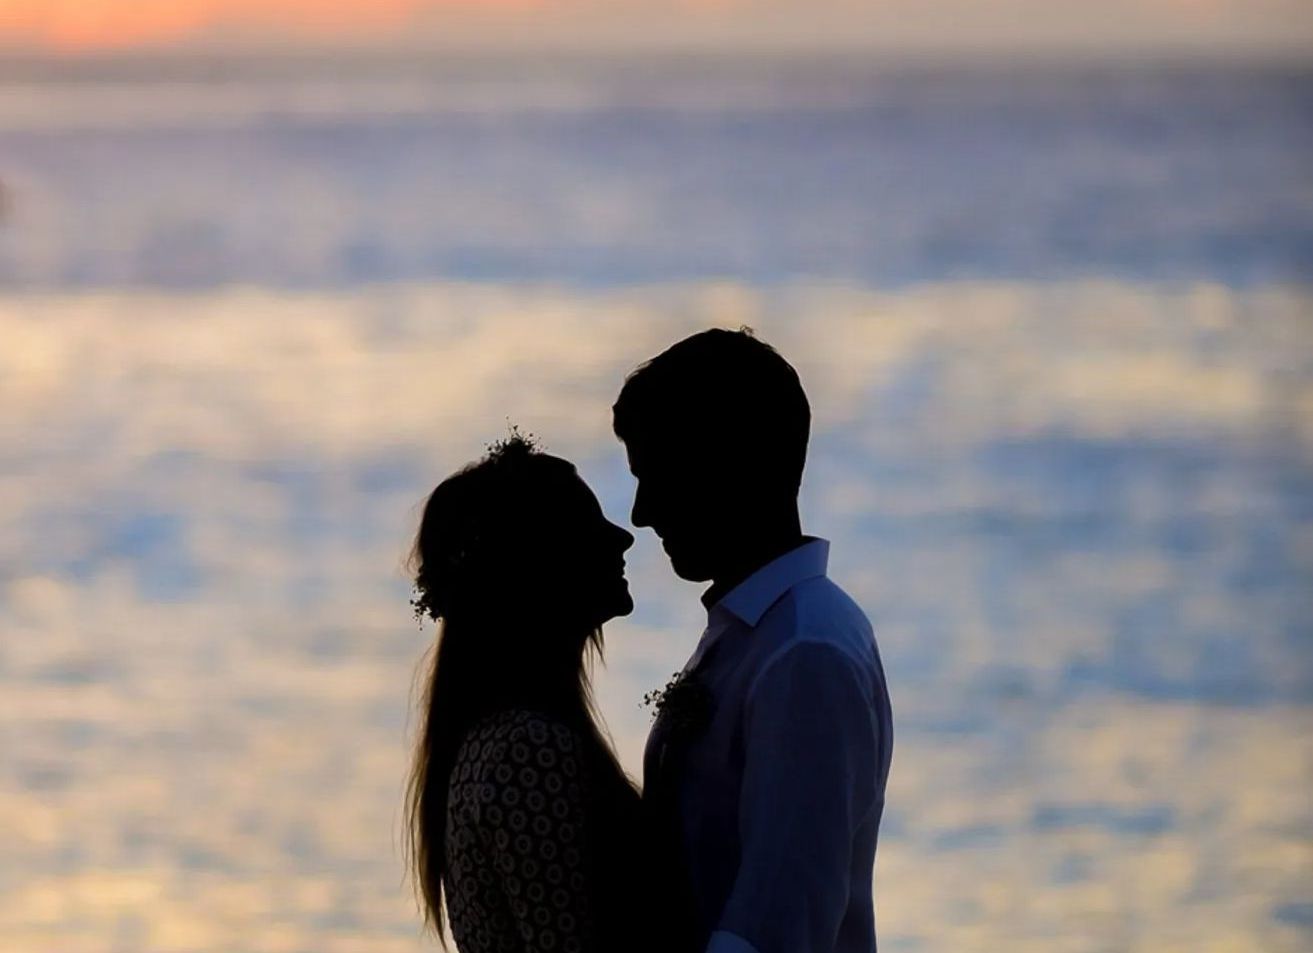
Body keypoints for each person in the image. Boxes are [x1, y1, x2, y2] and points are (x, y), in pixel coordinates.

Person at [613, 327, 895, 953]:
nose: (641, 511)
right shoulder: (764, 635)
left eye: (655, 474)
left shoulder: (804, 653)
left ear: (725, 466)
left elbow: (779, 920)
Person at [405, 433, 686, 953]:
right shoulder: (527, 749)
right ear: (539, 565)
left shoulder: (495, 741)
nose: (621, 538)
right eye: (588, 526)